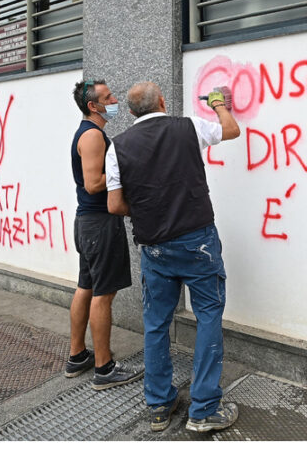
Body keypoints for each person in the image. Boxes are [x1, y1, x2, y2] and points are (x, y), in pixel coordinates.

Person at [106, 81, 240, 433]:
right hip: (197, 242)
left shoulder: (117, 146)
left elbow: (115, 205)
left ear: (131, 112)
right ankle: (204, 409)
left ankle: (159, 405)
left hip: (154, 248)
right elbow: (231, 130)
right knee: (208, 315)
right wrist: (218, 104)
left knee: (156, 323)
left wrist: (148, 209)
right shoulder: (188, 126)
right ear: (163, 102)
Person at [66, 78, 143, 390]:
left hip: (88, 224)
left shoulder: (89, 133)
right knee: (103, 294)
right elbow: (93, 184)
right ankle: (104, 367)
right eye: (108, 97)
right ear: (93, 106)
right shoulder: (93, 135)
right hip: (99, 224)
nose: (114, 100)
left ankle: (77, 356)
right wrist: (126, 172)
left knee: (86, 287)